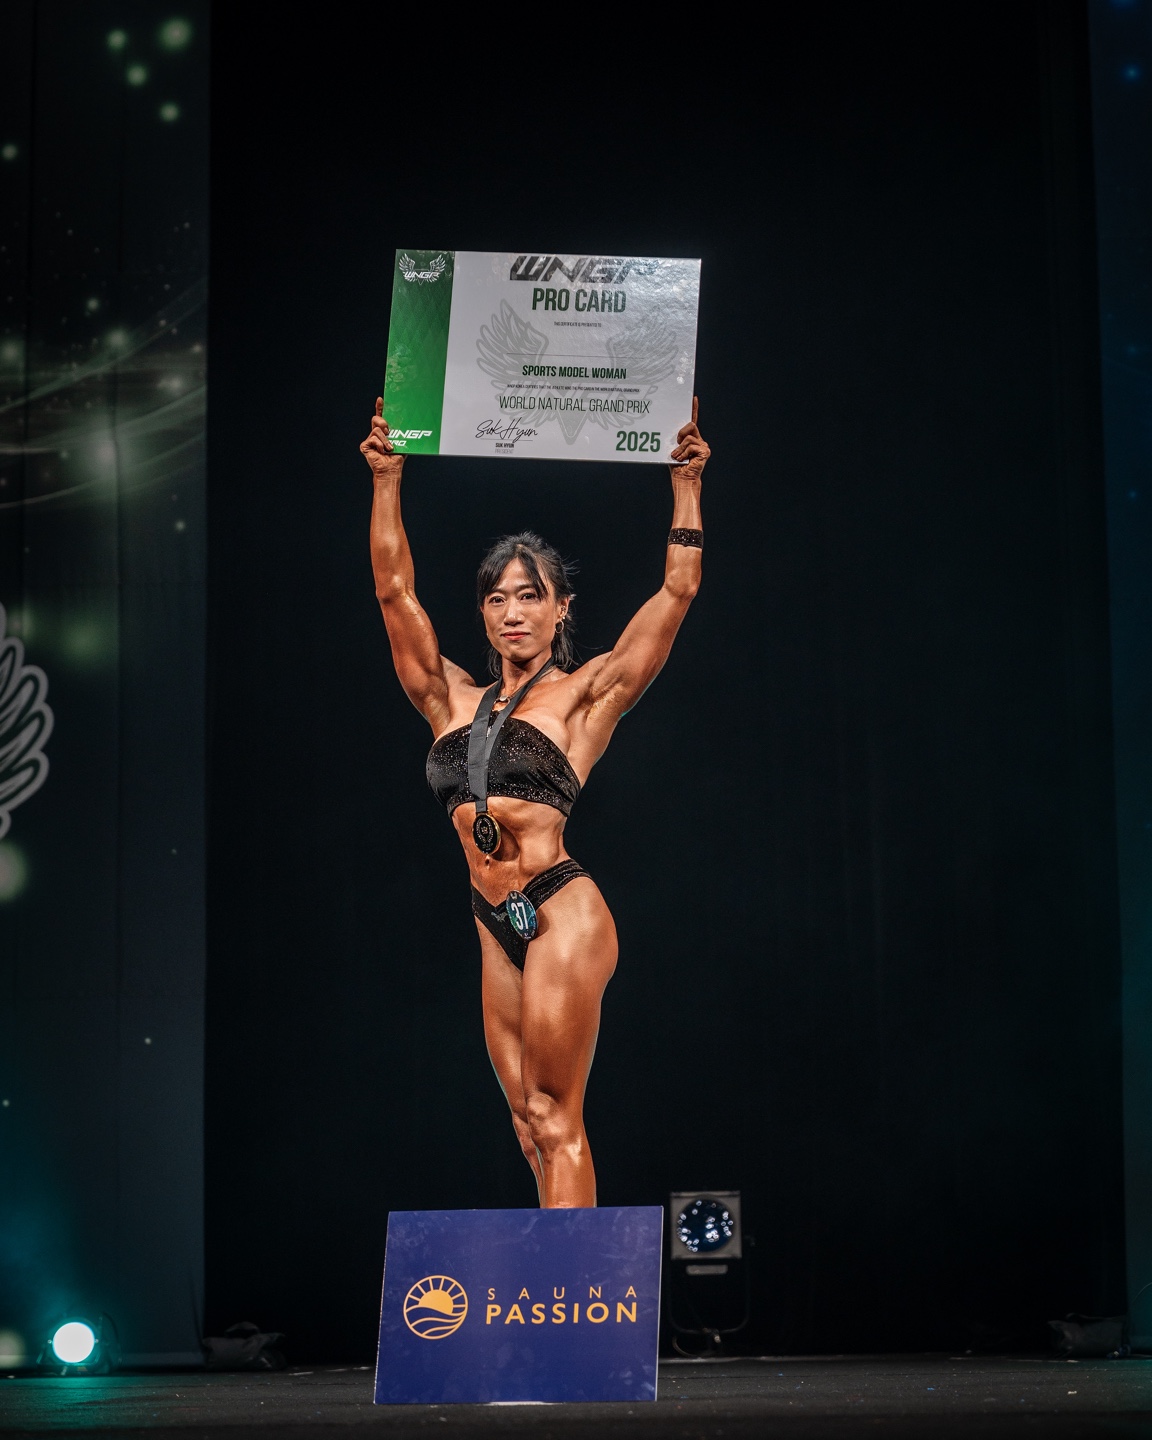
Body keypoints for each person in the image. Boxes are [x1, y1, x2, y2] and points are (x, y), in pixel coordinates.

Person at [361, 398, 709, 1207]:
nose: (513, 611)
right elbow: (393, 592)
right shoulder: (450, 698)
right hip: (493, 921)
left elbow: (678, 589)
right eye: (496, 598)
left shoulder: (587, 694)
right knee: (526, 1123)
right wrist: (386, 478)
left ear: (560, 608)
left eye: (529, 595)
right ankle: (557, 1271)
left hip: (557, 908)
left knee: (557, 1115)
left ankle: (572, 1284)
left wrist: (687, 483)